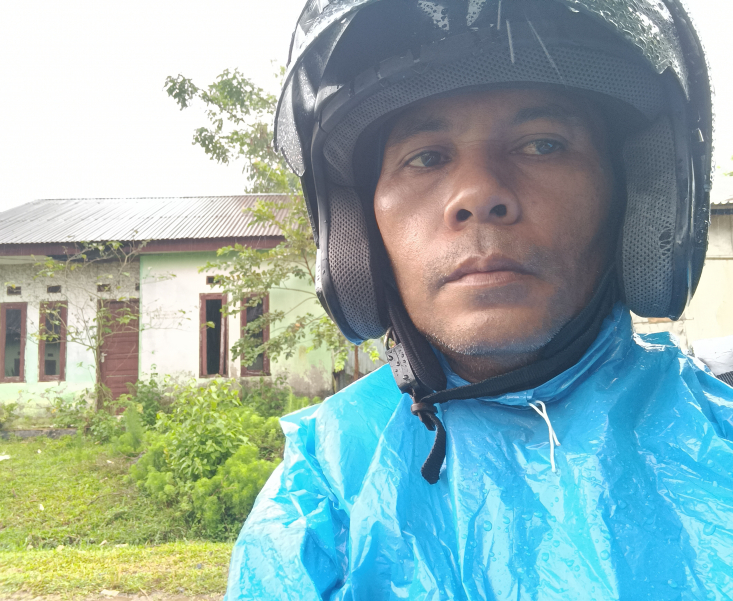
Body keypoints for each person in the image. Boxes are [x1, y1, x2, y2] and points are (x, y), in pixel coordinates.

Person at [226, 0, 728, 598]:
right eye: (427, 157)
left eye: (542, 145)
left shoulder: (717, 441)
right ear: (362, 234)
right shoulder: (321, 496)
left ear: (633, 201)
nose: (480, 194)